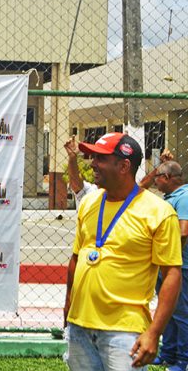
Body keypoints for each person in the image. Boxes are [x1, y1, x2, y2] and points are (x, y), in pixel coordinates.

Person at [64, 132, 183, 370]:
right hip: (79, 327)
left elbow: (172, 274)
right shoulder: (89, 203)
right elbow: (77, 258)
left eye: (100, 158)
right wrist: (68, 309)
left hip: (124, 331)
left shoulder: (158, 212)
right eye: (93, 157)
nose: (93, 164)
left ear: (124, 165)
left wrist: (154, 332)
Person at [152, 160, 188, 371]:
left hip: (179, 265)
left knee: (181, 313)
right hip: (167, 263)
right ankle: (168, 353)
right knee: (169, 310)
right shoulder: (173, 197)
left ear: (166, 178)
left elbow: (184, 231)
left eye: (157, 177)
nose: (155, 181)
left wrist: (170, 254)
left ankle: (183, 359)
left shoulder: (183, 197)